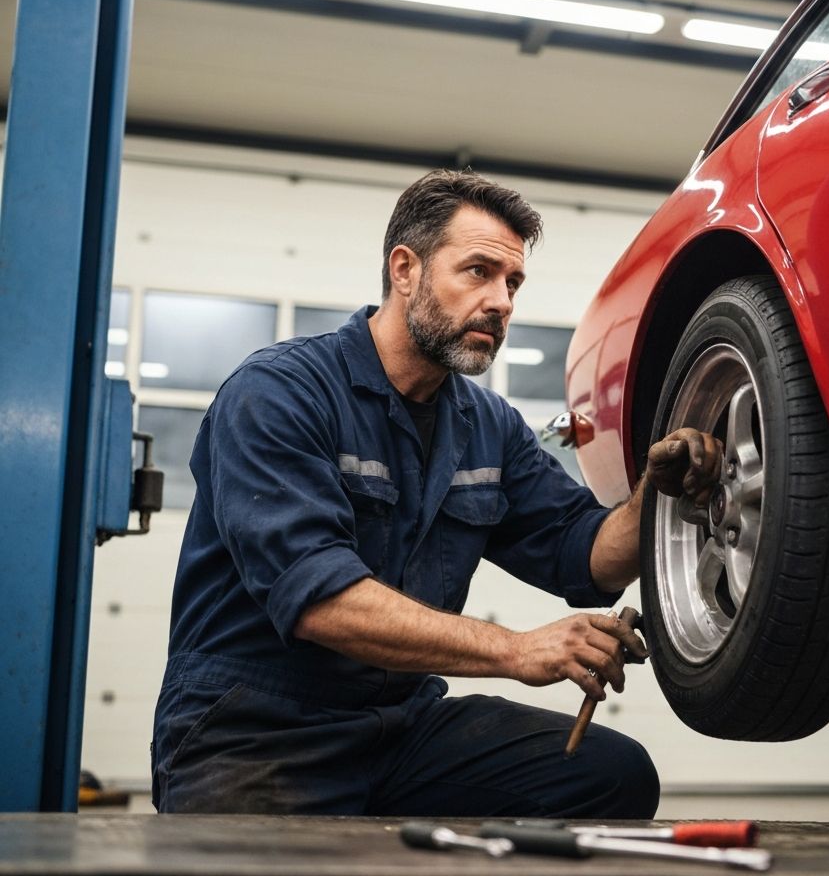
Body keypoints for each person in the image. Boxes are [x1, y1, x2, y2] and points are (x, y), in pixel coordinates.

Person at [151, 168, 722, 818]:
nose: (502, 301)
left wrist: (656, 498)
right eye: (478, 272)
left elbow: (584, 553)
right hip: (255, 730)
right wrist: (516, 649)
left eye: (513, 283)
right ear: (405, 270)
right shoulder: (279, 393)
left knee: (613, 775)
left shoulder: (489, 427)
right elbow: (319, 600)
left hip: (398, 725)